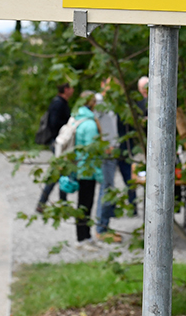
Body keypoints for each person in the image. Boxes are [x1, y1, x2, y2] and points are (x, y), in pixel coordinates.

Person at [36, 83, 74, 213]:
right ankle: (44, 202)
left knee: (61, 172)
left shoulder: (61, 102)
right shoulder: (58, 104)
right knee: (58, 172)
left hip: (59, 142)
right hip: (58, 142)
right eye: (71, 88)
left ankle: (57, 202)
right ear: (66, 89)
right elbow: (54, 123)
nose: (73, 90)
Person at [72, 91, 101, 250]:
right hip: (87, 169)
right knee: (85, 204)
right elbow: (92, 150)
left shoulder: (77, 118)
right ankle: (82, 237)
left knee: (83, 203)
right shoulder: (89, 124)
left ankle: (85, 235)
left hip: (80, 167)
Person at [94, 80, 122, 243]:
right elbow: (94, 120)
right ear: (103, 84)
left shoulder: (110, 103)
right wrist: (103, 144)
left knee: (110, 188)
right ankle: (101, 228)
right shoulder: (99, 101)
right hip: (106, 152)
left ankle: (105, 224)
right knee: (106, 188)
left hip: (113, 150)